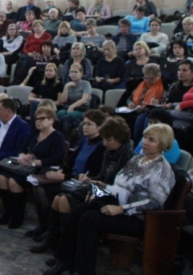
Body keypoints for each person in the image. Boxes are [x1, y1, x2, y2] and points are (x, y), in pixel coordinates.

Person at [47, 124, 175, 275]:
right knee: (78, 211)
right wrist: (100, 187)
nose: (145, 142)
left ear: (163, 144)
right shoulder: (137, 159)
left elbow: (154, 202)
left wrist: (121, 209)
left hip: (138, 218)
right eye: (145, 137)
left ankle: (84, 270)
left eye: (151, 140)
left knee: (89, 219)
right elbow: (119, 186)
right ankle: (64, 260)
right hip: (117, 203)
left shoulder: (162, 170)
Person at [36, 117, 135, 259]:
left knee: (65, 201)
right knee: (59, 198)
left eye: (108, 140)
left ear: (120, 139)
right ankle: (54, 241)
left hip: (110, 199)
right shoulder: (109, 152)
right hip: (99, 191)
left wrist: (95, 183)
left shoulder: (128, 157)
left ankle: (64, 252)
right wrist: (91, 180)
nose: (105, 143)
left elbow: (119, 186)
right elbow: (100, 176)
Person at [27, 109, 105, 243]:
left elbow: (91, 174)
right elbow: (69, 161)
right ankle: (44, 226)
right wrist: (61, 171)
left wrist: (63, 177)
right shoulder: (84, 140)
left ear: (99, 127)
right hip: (69, 177)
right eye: (84, 123)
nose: (85, 127)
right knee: (37, 184)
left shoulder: (101, 147)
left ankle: (52, 232)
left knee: (44, 190)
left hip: (80, 183)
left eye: (89, 124)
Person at [0, 106, 65, 229]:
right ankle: (8, 212)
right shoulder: (34, 133)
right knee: (2, 177)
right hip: (26, 167)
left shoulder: (57, 137)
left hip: (42, 169)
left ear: (51, 120)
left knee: (14, 181)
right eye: (36, 119)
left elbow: (55, 159)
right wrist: (23, 156)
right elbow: (21, 149)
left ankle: (17, 216)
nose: (38, 121)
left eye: (42, 118)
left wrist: (34, 163)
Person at [118, 63, 165, 135]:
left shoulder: (164, 86)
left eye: (151, 78)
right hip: (134, 109)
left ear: (158, 76)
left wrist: (147, 107)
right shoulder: (138, 84)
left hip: (148, 111)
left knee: (139, 119)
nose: (148, 80)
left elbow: (163, 102)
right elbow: (129, 98)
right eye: (146, 78)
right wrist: (130, 103)